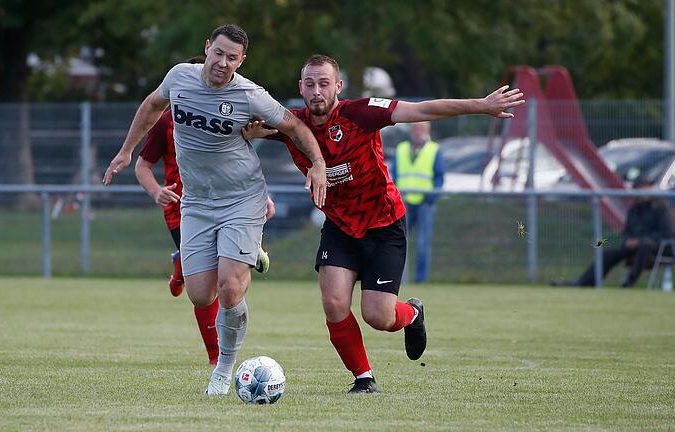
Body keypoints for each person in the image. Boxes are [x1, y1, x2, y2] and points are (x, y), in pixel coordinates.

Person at [266, 54, 524, 393]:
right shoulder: (290, 126)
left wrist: (482, 104)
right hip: (340, 227)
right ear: (300, 87)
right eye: (310, 84)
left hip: (383, 224)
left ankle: (412, 315)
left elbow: (422, 110)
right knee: (333, 303)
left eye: (324, 83)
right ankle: (363, 379)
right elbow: (240, 121)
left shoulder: (361, 113)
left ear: (338, 87)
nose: (316, 91)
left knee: (378, 317)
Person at [103, 24, 327, 396]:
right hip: (197, 202)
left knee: (228, 289)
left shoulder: (250, 95)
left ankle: (223, 370)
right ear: (207, 48)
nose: (223, 63)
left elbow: (294, 126)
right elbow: (151, 105)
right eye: (218, 53)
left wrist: (317, 161)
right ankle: (246, 251)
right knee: (199, 295)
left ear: (241, 61)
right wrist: (127, 151)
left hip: (242, 199)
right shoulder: (179, 76)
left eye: (232, 58)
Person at [135, 91, 275, 365]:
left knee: (225, 282)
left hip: (229, 205)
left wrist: (262, 197)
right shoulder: (168, 121)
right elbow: (143, 166)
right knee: (202, 290)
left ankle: (218, 359)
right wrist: (156, 192)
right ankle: (214, 354)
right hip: (184, 210)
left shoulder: (226, 116)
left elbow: (241, 164)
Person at [552, 178, 675, 288]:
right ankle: (584, 282)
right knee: (609, 250)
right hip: (634, 245)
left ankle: (629, 283)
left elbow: (666, 233)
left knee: (646, 245)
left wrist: (639, 241)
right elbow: (627, 231)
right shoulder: (634, 209)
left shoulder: (661, 208)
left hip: (658, 247)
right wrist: (628, 240)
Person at [392, 121, 444, 283]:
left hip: (424, 203)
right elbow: (394, 175)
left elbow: (439, 176)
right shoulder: (401, 149)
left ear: (427, 131)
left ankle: (421, 280)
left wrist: (431, 198)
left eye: (421, 129)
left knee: (423, 244)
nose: (417, 132)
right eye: (415, 128)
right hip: (404, 203)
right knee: (398, 242)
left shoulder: (434, 149)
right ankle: (396, 278)